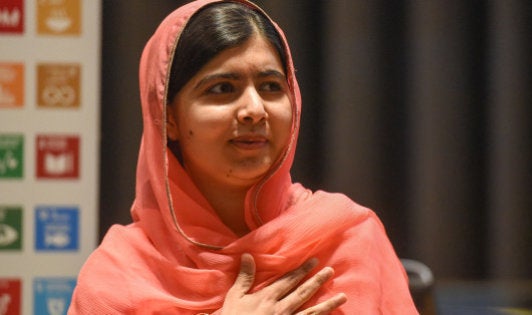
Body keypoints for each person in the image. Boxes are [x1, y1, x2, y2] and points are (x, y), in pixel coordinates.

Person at [69, 0, 418, 313]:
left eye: (271, 86)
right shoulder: (118, 276)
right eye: (222, 89)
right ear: (168, 118)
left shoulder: (349, 239)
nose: (254, 109)